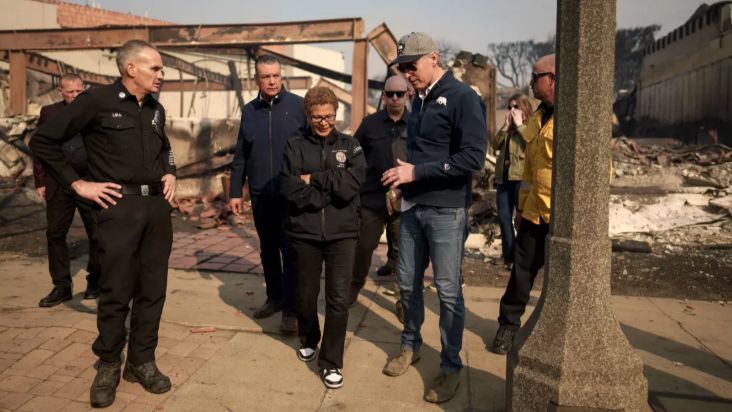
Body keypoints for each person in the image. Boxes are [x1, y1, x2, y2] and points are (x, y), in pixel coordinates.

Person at [30, 40, 177, 408]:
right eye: (156, 68)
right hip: (118, 209)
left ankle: (141, 362)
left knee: (152, 290)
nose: (162, 75)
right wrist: (78, 183)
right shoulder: (96, 101)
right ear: (131, 69)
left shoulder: (155, 108)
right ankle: (110, 362)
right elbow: (43, 142)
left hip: (157, 210)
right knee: (115, 290)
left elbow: (165, 147)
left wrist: (171, 171)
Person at [380, 32, 487, 403]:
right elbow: (418, 156)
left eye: (412, 66)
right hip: (413, 206)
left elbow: (472, 157)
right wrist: (402, 184)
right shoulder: (419, 101)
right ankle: (410, 346)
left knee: (447, 292)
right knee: (407, 284)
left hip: (445, 210)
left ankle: (451, 366)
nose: (407, 73)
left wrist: (416, 173)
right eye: (403, 68)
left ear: (434, 59)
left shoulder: (463, 98)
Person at [280, 86, 366, 389]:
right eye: (317, 117)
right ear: (308, 115)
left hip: (343, 234)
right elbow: (290, 189)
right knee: (305, 295)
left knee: (338, 300)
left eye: (329, 116)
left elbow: (352, 185)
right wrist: (326, 196)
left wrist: (315, 179)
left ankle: (331, 362)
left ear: (336, 112)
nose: (324, 122)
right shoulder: (293, 146)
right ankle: (309, 337)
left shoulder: (351, 146)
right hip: (305, 232)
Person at [228, 54, 305, 334]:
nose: (271, 81)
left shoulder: (298, 107)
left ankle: (291, 310)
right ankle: (274, 298)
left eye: (275, 75)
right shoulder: (249, 111)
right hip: (260, 193)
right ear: (256, 80)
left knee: (290, 250)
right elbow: (241, 154)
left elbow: (310, 148)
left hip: (290, 194)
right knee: (268, 250)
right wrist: (236, 191)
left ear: (281, 76)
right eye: (265, 77)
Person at [489, 54, 556, 355]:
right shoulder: (539, 119)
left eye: (535, 76)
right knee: (522, 271)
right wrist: (522, 209)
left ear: (552, 78)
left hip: (563, 216)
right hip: (534, 214)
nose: (531, 82)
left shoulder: (574, 117)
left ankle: (556, 334)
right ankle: (508, 325)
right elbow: (530, 171)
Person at [33, 73, 101, 307]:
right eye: (70, 92)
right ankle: (61, 286)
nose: (74, 96)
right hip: (58, 182)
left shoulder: (92, 111)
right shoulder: (49, 113)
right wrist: (40, 181)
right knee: (55, 234)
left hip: (88, 182)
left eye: (78, 91)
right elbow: (40, 147)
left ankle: (95, 280)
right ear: (60, 91)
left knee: (97, 232)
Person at [348, 75, 409, 306]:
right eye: (390, 94)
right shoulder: (370, 123)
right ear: (383, 95)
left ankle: (404, 299)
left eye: (399, 94)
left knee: (405, 252)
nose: (394, 98)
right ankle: (354, 286)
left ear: (407, 95)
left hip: (405, 198)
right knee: (363, 245)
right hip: (372, 197)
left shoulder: (417, 124)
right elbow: (354, 152)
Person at [491, 94, 532, 268]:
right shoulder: (508, 130)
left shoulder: (529, 127)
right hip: (503, 179)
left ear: (524, 109)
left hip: (520, 179)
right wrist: (505, 126)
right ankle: (509, 257)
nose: (511, 111)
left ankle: (522, 257)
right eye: (509, 107)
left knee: (521, 219)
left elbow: (532, 143)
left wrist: (520, 126)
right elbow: (494, 145)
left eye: (515, 107)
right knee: (504, 218)